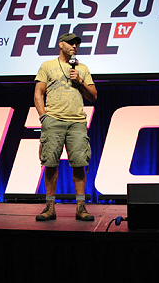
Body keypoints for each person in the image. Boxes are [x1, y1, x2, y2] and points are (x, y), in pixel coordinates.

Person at [34, 33, 97, 221]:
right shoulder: (47, 66)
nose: (74, 46)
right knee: (50, 164)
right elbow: (38, 92)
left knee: (79, 164)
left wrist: (80, 81)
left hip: (76, 122)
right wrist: (43, 116)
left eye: (76, 44)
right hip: (53, 120)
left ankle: (81, 208)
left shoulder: (82, 68)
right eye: (70, 43)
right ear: (61, 44)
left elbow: (93, 96)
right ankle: (50, 207)